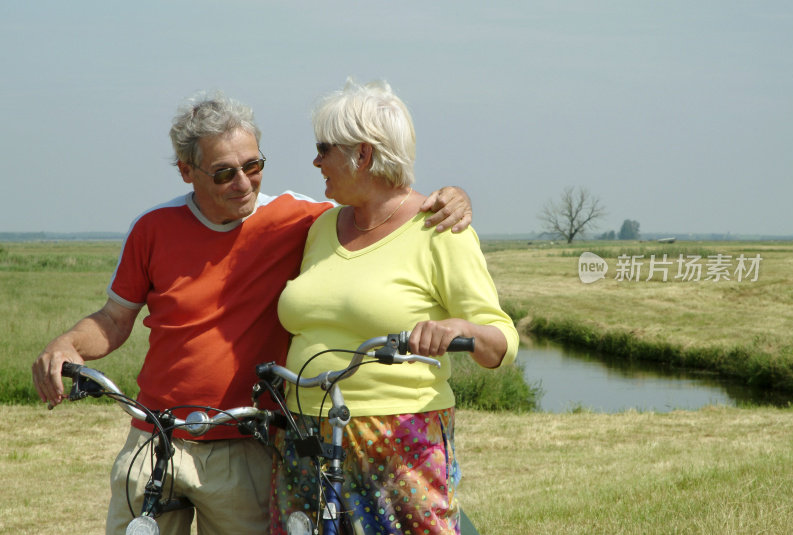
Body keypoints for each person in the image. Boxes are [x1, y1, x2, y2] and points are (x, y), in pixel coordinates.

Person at [30, 91, 473, 535]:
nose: (243, 183)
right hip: (156, 437)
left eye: (253, 166)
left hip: (248, 442)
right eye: (224, 173)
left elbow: (380, 202)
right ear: (187, 171)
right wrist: (66, 344)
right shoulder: (152, 228)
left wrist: (453, 195)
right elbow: (113, 319)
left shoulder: (302, 218)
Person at [272, 79, 519, 534]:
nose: (316, 160)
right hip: (305, 434)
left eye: (324, 148)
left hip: (397, 439)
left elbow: (500, 340)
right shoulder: (322, 227)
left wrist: (459, 326)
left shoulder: (439, 227)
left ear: (362, 155)